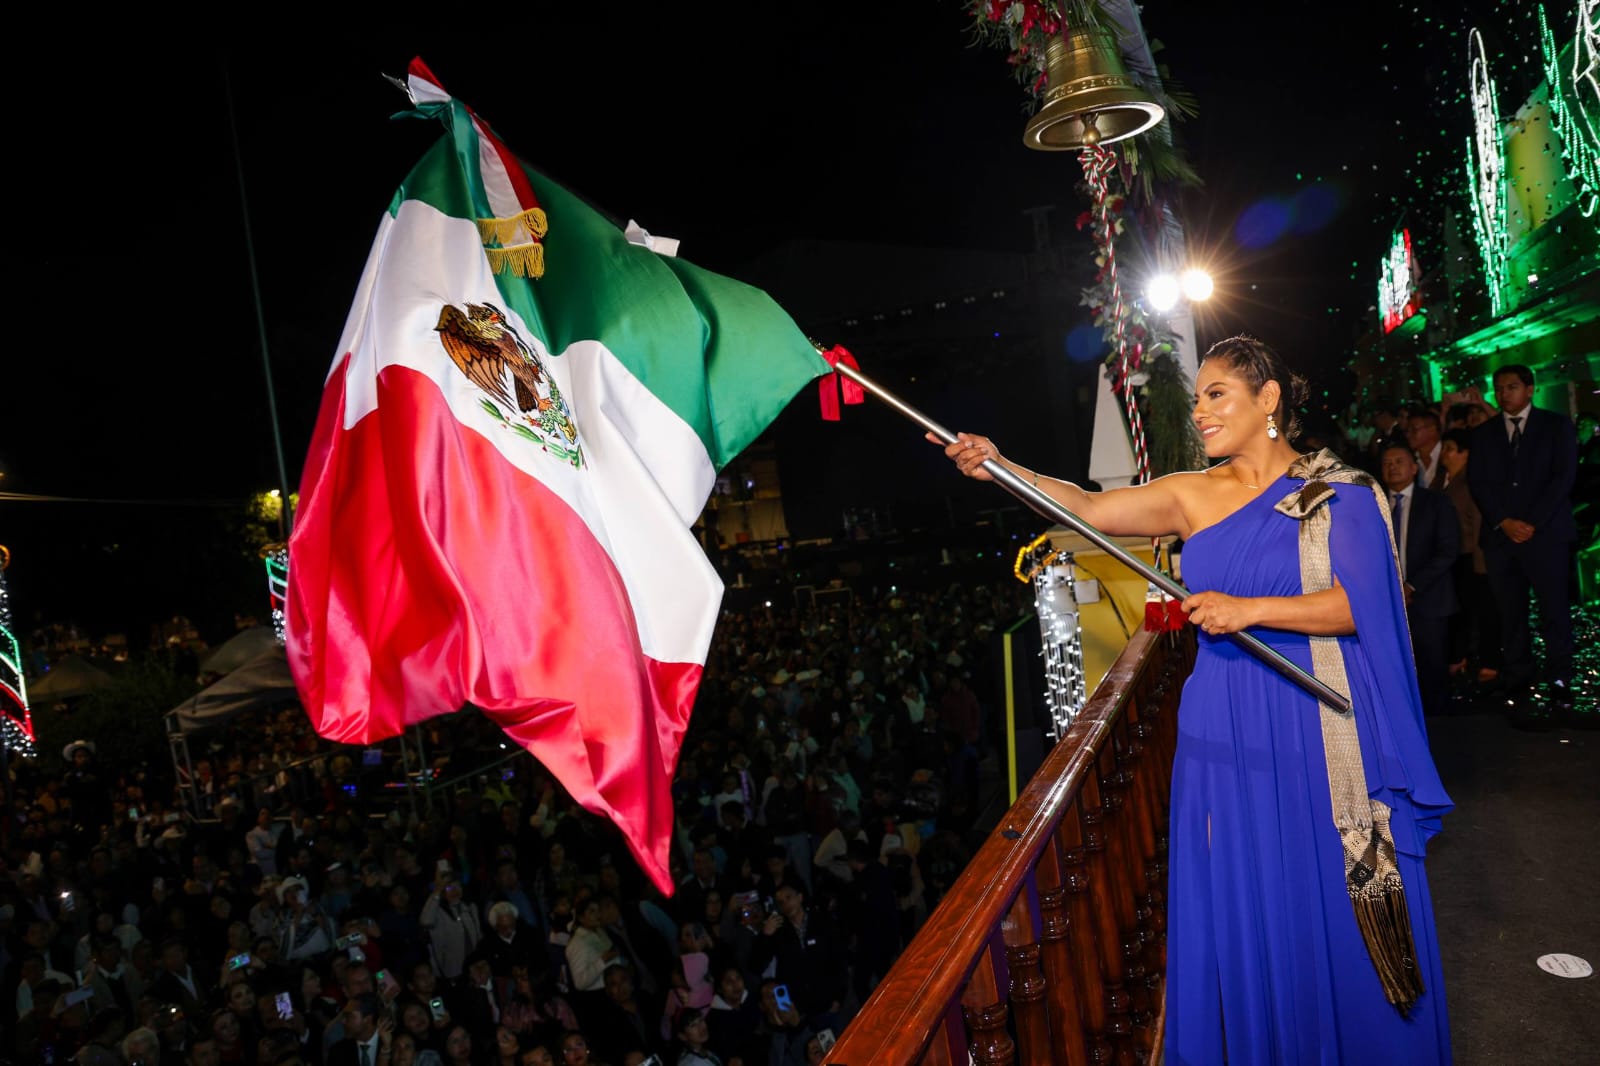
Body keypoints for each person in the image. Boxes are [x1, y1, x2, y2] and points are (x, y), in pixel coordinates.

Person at [936, 334, 1452, 1063]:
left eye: (1217, 395)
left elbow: (1367, 605)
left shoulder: (1342, 492)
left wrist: (1248, 610)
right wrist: (999, 467)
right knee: (1252, 902)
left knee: (1322, 899)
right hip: (1223, 725)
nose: (1201, 411)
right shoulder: (1191, 493)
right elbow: (1086, 505)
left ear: (1268, 400)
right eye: (1198, 397)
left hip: (1315, 721)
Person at [1467, 364, 1580, 720]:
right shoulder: (1484, 433)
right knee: (1510, 614)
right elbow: (1479, 483)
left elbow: (1563, 478)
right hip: (1503, 539)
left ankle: (1560, 680)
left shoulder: (1556, 425)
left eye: (1512, 387)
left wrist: (1530, 523)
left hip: (1545, 536)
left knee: (1554, 613)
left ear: (1530, 389)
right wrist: (1505, 522)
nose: (1504, 394)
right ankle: (1519, 678)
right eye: (1499, 389)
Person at [1377, 442, 1459, 718]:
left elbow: (1448, 549)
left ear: (1414, 468)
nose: (1392, 467)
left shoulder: (1435, 502)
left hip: (1429, 598)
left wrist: (1412, 585)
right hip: (1386, 600)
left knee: (1433, 664)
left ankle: (1439, 723)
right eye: (1387, 462)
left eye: (1398, 461)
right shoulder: (1373, 508)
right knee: (1393, 664)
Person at [1438, 428, 1501, 688]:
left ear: (1465, 453)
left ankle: (1487, 660)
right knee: (1461, 611)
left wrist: (1479, 560)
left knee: (1481, 610)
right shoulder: (1443, 478)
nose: (1445, 454)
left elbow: (1476, 522)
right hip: (1453, 556)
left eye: (1450, 448)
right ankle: (1462, 656)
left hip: (1470, 555)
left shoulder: (1468, 480)